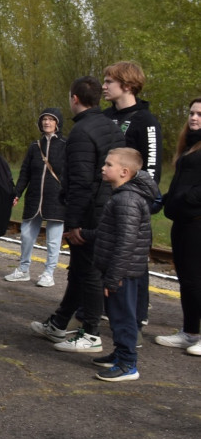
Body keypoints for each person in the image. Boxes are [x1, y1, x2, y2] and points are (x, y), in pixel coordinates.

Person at [30, 77, 125, 353]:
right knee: (80, 271)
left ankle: (91, 333)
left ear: (74, 99)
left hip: (90, 213)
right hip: (110, 206)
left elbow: (81, 182)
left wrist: (73, 224)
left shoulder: (82, 133)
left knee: (89, 272)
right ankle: (59, 323)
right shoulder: (112, 127)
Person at [102, 61, 162, 329]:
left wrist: (141, 203)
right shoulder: (104, 117)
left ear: (126, 85)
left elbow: (151, 166)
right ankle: (107, 307)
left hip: (132, 203)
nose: (103, 86)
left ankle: (138, 314)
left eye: (109, 82)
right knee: (109, 254)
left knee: (133, 260)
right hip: (106, 201)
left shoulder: (145, 120)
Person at [91, 148, 156, 381]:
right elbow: (112, 232)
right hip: (122, 270)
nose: (103, 167)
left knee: (123, 317)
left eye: (109, 165)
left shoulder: (126, 199)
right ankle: (120, 354)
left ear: (124, 172)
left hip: (122, 272)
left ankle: (128, 364)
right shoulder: (123, 196)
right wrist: (87, 235)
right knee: (118, 315)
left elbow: (126, 242)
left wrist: (114, 275)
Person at [158, 97, 201, 355]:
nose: (194, 118)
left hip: (197, 222)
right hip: (182, 222)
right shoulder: (189, 146)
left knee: (196, 279)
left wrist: (186, 199)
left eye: (199, 114)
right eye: (192, 113)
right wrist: (164, 199)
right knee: (186, 279)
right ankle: (189, 331)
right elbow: (180, 182)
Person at [8, 108, 66, 287]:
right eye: (44, 120)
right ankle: (23, 269)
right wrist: (17, 193)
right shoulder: (35, 146)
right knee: (26, 235)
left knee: (53, 240)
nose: (46, 123)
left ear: (57, 123)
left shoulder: (66, 145)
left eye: (50, 119)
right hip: (34, 199)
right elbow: (25, 172)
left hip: (56, 199)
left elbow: (70, 173)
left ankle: (49, 273)